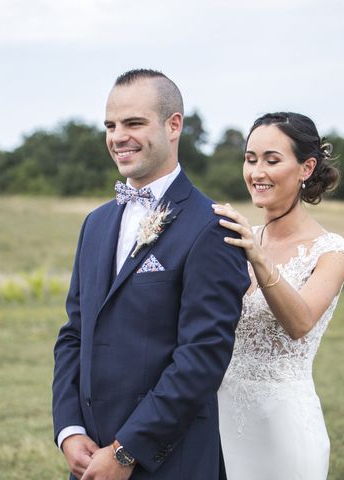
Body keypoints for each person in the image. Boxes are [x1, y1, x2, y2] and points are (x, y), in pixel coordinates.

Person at [52, 69, 250, 480]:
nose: (118, 136)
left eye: (134, 123)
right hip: (90, 460)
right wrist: (69, 430)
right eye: (111, 125)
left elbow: (202, 357)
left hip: (168, 460)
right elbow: (75, 332)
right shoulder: (95, 223)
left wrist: (127, 452)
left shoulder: (210, 228)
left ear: (173, 125)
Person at [213, 112, 344, 479]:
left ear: (306, 167)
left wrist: (257, 257)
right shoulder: (239, 239)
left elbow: (300, 322)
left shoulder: (331, 252)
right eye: (250, 159)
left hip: (283, 428)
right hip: (220, 420)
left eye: (271, 160)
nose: (257, 172)